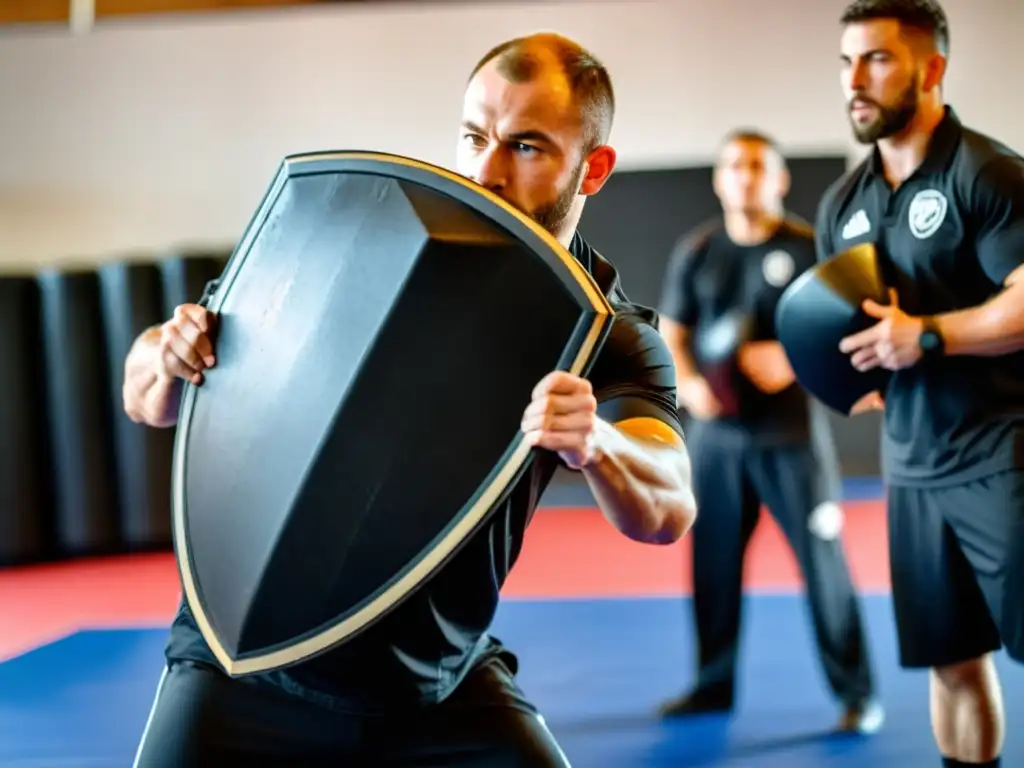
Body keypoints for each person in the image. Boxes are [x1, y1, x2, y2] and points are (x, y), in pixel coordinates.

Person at [123, 32, 698, 766]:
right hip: (243, 663)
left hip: (433, 684)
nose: (487, 171)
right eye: (474, 136)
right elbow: (149, 395)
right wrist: (167, 354)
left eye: (526, 147)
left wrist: (601, 444)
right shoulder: (357, 235)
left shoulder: (606, 338)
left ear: (594, 169)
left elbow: (668, 508)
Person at [815, 1, 1024, 766]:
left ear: (932, 69)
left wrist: (929, 336)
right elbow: (847, 319)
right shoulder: (844, 204)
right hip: (913, 465)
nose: (855, 81)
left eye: (876, 60)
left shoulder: (987, 173)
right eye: (846, 62)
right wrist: (845, 367)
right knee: (954, 661)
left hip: (1004, 453)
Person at [655, 130, 883, 732]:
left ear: (779, 178)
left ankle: (857, 694)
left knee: (823, 567)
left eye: (758, 165)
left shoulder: (811, 248)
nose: (745, 175)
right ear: (719, 179)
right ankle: (711, 686)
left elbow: (848, 333)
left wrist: (793, 358)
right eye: (734, 165)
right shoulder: (698, 250)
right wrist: (691, 385)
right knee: (712, 569)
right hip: (717, 443)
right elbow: (672, 333)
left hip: (792, 440)